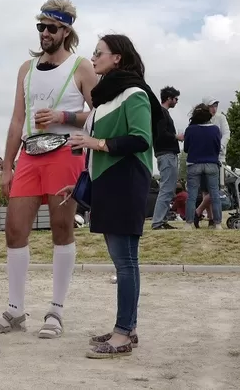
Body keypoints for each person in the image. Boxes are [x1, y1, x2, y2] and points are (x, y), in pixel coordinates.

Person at [0, 0, 97, 339]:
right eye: (40, 27)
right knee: (14, 231)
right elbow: (17, 119)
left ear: (66, 30)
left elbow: (102, 113)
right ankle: (15, 310)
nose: (44, 33)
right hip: (30, 154)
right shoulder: (25, 70)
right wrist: (7, 164)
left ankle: (56, 311)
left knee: (62, 230)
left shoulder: (81, 67)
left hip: (65, 154)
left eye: (51, 28)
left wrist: (64, 117)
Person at [59, 33, 162, 359]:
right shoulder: (104, 101)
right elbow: (95, 152)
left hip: (126, 180)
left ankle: (122, 334)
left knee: (126, 261)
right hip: (107, 181)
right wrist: (79, 183)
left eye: (99, 53)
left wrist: (98, 144)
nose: (93, 58)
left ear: (117, 57)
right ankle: (126, 328)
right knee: (123, 261)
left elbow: (141, 139)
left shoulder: (135, 93)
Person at [183, 103, 222, 230]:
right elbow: (218, 148)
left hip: (194, 163)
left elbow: (186, 149)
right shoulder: (215, 129)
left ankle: (188, 223)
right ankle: (217, 224)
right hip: (211, 163)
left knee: (192, 195)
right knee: (215, 195)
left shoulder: (190, 130)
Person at [194, 96, 230, 226]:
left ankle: (198, 212)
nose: (214, 109)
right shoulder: (201, 120)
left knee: (217, 187)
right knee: (205, 189)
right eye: (211, 106)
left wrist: (220, 146)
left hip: (218, 157)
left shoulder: (220, 118)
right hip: (204, 157)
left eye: (215, 106)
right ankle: (211, 217)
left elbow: (226, 134)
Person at [151, 86, 182, 230]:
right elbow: (161, 133)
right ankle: (158, 222)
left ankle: (161, 220)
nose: (176, 101)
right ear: (169, 98)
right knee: (166, 188)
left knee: (168, 189)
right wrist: (177, 136)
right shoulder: (161, 113)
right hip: (166, 154)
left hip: (166, 154)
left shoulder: (162, 113)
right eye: (175, 98)